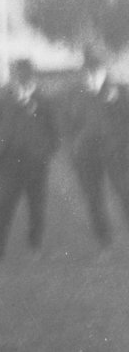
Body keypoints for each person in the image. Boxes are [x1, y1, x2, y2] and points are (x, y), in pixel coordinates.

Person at [0, 59, 59, 261]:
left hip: (35, 161)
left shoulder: (43, 99)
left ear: (31, 75)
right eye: (18, 74)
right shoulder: (3, 96)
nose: (22, 77)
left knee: (36, 207)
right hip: (9, 160)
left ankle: (35, 248)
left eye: (26, 73)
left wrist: (45, 151)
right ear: (14, 75)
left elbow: (54, 131)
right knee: (4, 204)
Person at [61, 45, 129, 252]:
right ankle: (105, 241)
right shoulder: (74, 93)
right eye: (89, 66)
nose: (92, 70)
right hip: (86, 153)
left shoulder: (120, 90)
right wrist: (73, 146)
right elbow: (67, 123)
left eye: (96, 66)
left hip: (115, 150)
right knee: (93, 198)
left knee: (124, 192)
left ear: (103, 67)